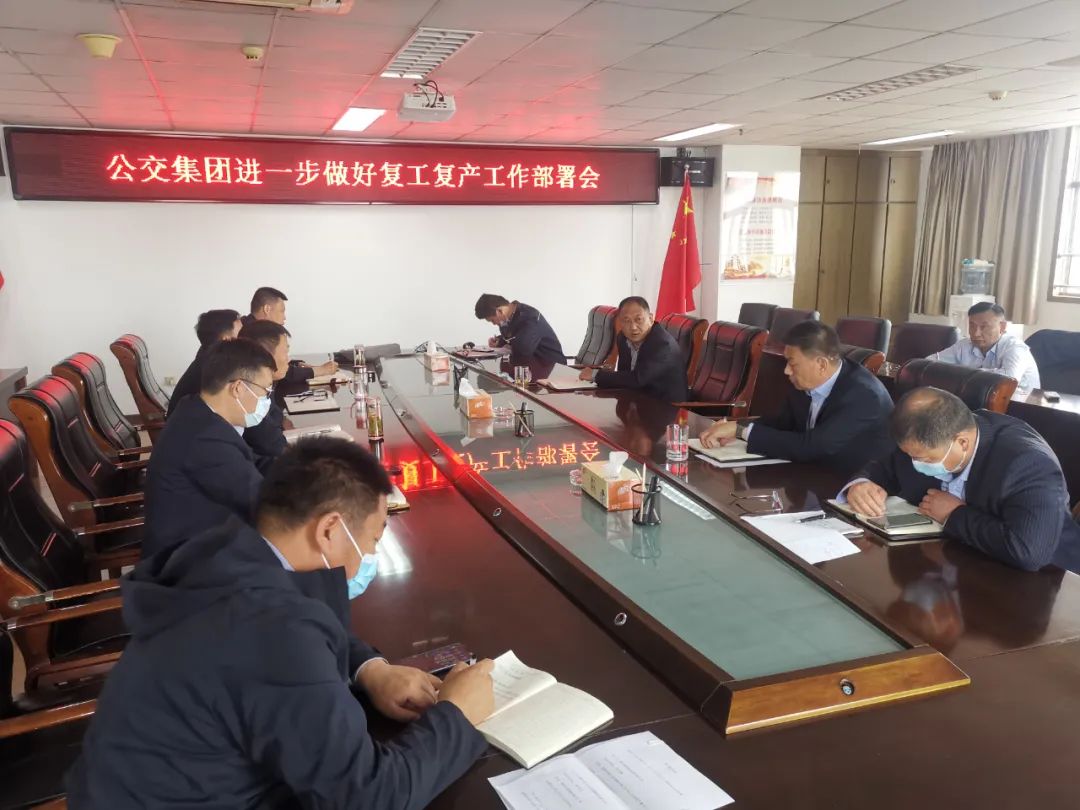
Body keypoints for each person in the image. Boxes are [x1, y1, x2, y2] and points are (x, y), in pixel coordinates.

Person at [67, 438, 495, 808]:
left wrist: (371, 670)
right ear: (330, 530)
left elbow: (300, 631)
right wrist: (456, 715)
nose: (370, 555)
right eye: (373, 538)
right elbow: (368, 797)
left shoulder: (229, 554)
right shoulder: (272, 628)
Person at [843, 387, 1080, 573]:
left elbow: (1028, 551)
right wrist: (861, 484)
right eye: (910, 455)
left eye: (923, 458)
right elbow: (885, 466)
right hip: (957, 560)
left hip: (1045, 581)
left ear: (962, 443)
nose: (915, 463)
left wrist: (954, 514)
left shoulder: (1027, 463)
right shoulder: (927, 433)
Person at [699, 321, 894, 477]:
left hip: (854, 488)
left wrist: (742, 431)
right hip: (812, 476)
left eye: (792, 364)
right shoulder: (806, 381)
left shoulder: (864, 396)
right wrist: (738, 427)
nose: (786, 371)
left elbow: (813, 446)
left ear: (821, 364)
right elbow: (781, 423)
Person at [143, 339, 276, 558]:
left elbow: (253, 463)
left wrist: (307, 467)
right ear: (238, 388)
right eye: (266, 391)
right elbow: (262, 502)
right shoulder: (205, 439)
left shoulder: (196, 410)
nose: (267, 400)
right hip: (185, 561)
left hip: (206, 538)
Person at [578, 296, 687, 402]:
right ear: (620, 322)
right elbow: (624, 374)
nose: (633, 327)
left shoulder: (662, 345)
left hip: (665, 405)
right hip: (636, 400)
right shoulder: (622, 338)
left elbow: (638, 379)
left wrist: (595, 375)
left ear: (650, 319)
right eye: (626, 320)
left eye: (638, 319)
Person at [928, 302, 1041, 394]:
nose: (976, 333)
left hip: (1020, 406)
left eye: (984, 327)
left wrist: (964, 374)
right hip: (982, 401)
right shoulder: (965, 345)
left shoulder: (1015, 348)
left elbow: (1009, 379)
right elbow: (929, 362)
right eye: (972, 326)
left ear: (1002, 327)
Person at [242, 286, 336, 383]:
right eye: (282, 311)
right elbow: (279, 371)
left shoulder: (248, 326)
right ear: (267, 309)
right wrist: (321, 370)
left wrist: (296, 364)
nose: (284, 317)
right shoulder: (251, 334)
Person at [167, 308, 242, 418]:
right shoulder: (214, 366)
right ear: (226, 339)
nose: (245, 337)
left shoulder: (208, 353)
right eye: (241, 333)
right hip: (189, 424)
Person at [238, 319, 293, 465]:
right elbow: (273, 446)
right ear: (266, 355)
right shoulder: (249, 395)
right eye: (286, 351)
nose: (288, 359)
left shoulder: (264, 384)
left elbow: (276, 416)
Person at [474, 293, 565, 367]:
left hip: (552, 368)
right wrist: (499, 341)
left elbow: (523, 350)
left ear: (500, 311)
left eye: (492, 320)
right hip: (531, 366)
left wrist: (507, 344)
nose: (494, 324)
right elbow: (514, 337)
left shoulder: (530, 317)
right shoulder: (507, 319)